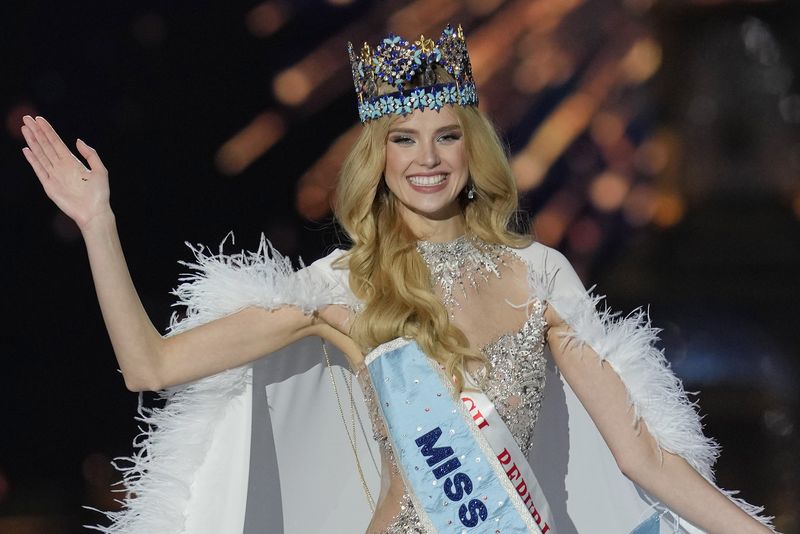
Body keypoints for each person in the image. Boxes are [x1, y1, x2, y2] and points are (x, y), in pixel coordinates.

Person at [21, 24, 776, 534]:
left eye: (447, 136)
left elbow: (643, 455)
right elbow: (148, 366)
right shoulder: (340, 286)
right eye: (403, 139)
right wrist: (99, 225)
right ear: (377, 159)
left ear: (472, 150)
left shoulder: (538, 275)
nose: (427, 158)